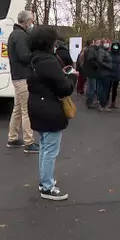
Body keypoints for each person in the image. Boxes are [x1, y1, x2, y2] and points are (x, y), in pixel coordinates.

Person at [26, 26, 77, 200]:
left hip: (37, 106)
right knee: (50, 150)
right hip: (49, 109)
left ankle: (44, 181)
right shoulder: (48, 61)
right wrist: (72, 77)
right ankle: (47, 187)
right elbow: (63, 88)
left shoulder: (34, 59)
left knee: (44, 147)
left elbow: (48, 81)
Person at [6, 10, 39, 153]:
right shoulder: (20, 36)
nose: (32, 24)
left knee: (18, 109)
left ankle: (12, 137)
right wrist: (36, 54)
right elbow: (24, 56)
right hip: (22, 76)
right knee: (27, 110)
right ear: (25, 22)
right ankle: (29, 142)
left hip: (17, 76)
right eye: (31, 22)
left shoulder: (15, 34)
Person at [96, 39, 114, 112]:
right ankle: (102, 104)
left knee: (105, 90)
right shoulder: (101, 51)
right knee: (103, 90)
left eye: (108, 43)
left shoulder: (106, 51)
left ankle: (103, 104)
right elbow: (100, 61)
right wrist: (109, 67)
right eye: (106, 43)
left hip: (106, 73)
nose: (108, 44)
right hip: (104, 73)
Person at [82, 39, 101, 109]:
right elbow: (90, 59)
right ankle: (89, 102)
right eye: (99, 43)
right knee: (92, 87)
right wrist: (96, 66)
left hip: (90, 71)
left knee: (90, 86)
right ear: (95, 43)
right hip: (92, 72)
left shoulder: (90, 49)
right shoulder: (93, 50)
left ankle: (89, 101)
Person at [108, 41, 120, 109]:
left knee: (115, 89)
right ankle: (105, 102)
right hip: (109, 72)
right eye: (114, 46)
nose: (115, 47)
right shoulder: (109, 53)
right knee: (108, 88)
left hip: (117, 72)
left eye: (116, 46)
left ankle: (113, 103)